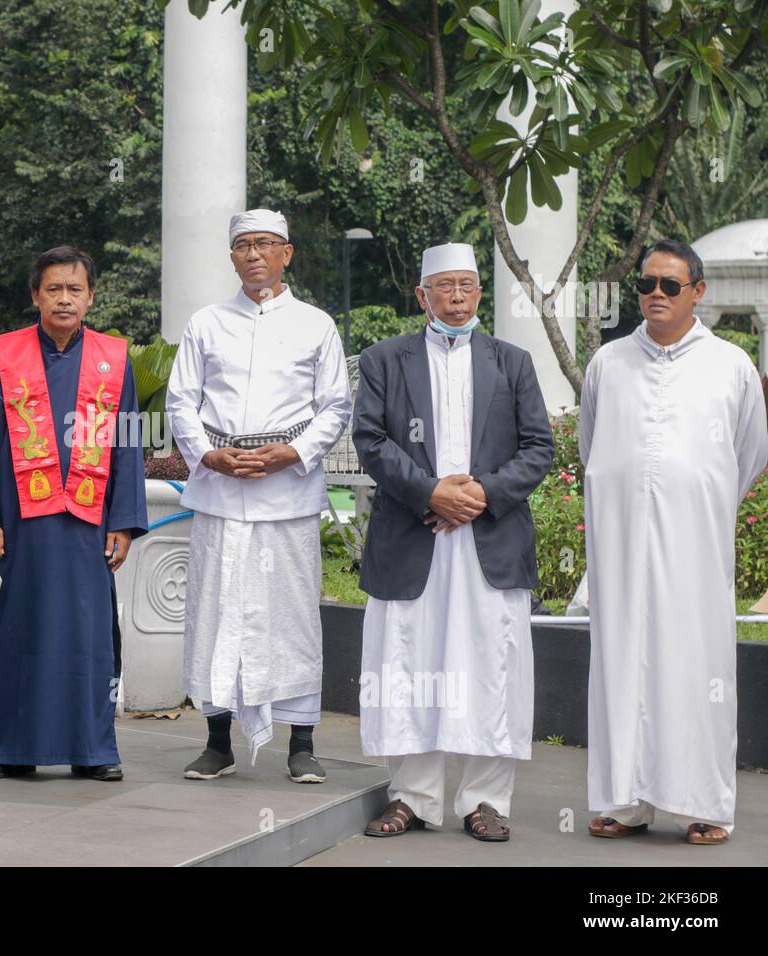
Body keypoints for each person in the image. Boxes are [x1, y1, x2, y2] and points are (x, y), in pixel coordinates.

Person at [354, 242, 552, 841]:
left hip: (488, 540)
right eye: (445, 286)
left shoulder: (512, 361)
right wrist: (431, 493)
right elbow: (370, 440)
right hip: (413, 538)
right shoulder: (385, 359)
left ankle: (485, 800)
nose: (458, 297)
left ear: (479, 293)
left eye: (467, 285)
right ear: (422, 295)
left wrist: (479, 496)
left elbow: (538, 448)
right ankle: (410, 797)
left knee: (490, 662)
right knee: (408, 661)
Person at [581, 239, 768, 845]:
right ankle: (622, 800)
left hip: (696, 548)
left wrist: (696, 503)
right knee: (619, 661)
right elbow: (592, 450)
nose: (655, 295)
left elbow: (749, 454)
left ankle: (703, 802)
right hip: (621, 544)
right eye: (646, 285)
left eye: (669, 285)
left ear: (698, 292)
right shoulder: (607, 364)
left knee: (697, 666)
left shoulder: (731, 365)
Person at [166, 209, 352, 784]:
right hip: (222, 488)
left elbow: (336, 406)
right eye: (243, 245)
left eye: (265, 244)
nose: (253, 255)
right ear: (232, 256)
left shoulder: (316, 324)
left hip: (286, 494)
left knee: (291, 617)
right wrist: (208, 455)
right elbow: (180, 401)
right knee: (216, 611)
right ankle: (216, 741)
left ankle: (301, 743)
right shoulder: (207, 323)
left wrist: (291, 453)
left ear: (286, 253)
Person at [0, 245, 147, 780]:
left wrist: (124, 521)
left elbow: (128, 445)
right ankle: (11, 749)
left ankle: (93, 750)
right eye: (53, 289)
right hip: (17, 523)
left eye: (75, 289)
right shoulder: (0, 358)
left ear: (89, 297)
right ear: (35, 295)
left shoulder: (113, 360)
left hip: (87, 526)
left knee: (87, 633)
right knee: (17, 628)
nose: (64, 299)